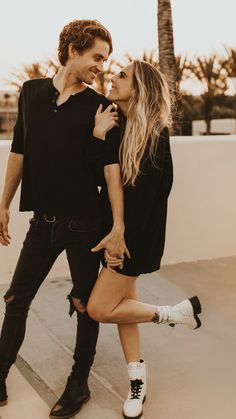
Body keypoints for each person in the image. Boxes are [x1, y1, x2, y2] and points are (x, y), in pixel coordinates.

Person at [0, 19, 127, 418]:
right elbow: (19, 151)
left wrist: (118, 226)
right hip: (42, 224)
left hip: (84, 226)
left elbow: (108, 172)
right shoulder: (30, 93)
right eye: (96, 57)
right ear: (73, 49)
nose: (101, 67)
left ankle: (78, 384)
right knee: (16, 300)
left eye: (105, 60)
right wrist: (3, 203)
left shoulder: (99, 108)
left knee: (85, 305)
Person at [87, 60, 202, 419]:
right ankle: (137, 383)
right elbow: (99, 176)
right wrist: (98, 135)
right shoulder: (116, 126)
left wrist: (120, 239)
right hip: (114, 234)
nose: (113, 78)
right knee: (124, 312)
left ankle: (175, 313)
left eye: (122, 76)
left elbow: (151, 197)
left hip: (131, 238)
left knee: (98, 308)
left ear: (139, 89)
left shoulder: (154, 133)